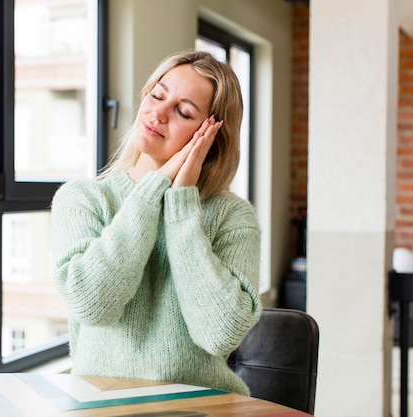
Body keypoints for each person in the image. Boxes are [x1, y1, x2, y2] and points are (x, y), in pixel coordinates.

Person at [50, 50, 261, 395]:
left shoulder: (232, 217)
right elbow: (92, 303)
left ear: (209, 138)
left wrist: (180, 205)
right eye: (157, 95)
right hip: (102, 406)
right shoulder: (83, 199)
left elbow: (220, 332)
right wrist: (154, 188)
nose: (158, 113)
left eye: (183, 111)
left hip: (202, 407)